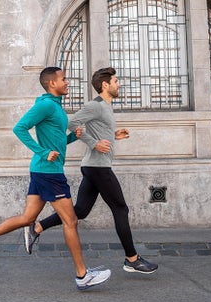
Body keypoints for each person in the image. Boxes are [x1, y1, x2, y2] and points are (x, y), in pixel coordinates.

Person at [0, 67, 111, 290]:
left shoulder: (55, 107)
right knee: (70, 221)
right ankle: (82, 275)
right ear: (52, 83)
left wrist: (72, 137)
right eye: (64, 79)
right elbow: (19, 128)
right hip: (48, 172)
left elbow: (55, 141)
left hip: (44, 170)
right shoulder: (45, 105)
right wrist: (43, 152)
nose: (67, 82)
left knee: (27, 218)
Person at [23, 67, 158, 274]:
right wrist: (94, 143)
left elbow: (97, 130)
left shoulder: (106, 107)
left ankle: (38, 227)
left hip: (94, 166)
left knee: (81, 210)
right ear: (105, 85)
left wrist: (113, 136)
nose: (118, 84)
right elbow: (71, 123)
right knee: (120, 208)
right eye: (115, 81)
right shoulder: (95, 105)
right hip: (98, 167)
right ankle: (132, 259)